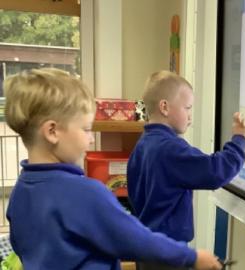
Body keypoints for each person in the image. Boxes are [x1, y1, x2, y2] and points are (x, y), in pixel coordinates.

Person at [4, 68, 222, 270]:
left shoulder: (20, 193)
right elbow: (138, 241)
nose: (90, 140)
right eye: (86, 129)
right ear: (52, 131)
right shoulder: (85, 194)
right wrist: (192, 257)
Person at [127, 70, 245, 270]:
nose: (190, 117)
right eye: (187, 108)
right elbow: (216, 171)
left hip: (147, 248)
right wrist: (239, 140)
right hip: (167, 253)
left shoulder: (142, 146)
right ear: (164, 107)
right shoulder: (171, 149)